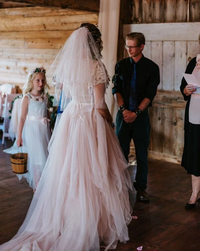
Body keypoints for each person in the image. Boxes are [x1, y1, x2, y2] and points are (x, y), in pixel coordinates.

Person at [0, 24, 132, 251]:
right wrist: (109, 122)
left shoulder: (70, 67)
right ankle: (90, 224)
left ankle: (66, 220)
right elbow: (100, 104)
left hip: (72, 119)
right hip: (90, 119)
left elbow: (68, 97)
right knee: (94, 171)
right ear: (96, 42)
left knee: (70, 171)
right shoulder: (96, 66)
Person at [112, 32, 160, 202]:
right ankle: (121, 187)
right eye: (127, 46)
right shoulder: (121, 65)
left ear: (141, 47)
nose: (129, 50)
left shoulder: (152, 68)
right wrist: (124, 110)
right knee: (121, 153)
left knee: (141, 154)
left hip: (141, 117)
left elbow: (150, 94)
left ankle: (141, 188)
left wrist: (136, 113)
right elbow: (116, 89)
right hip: (122, 116)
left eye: (132, 46)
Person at [4, 67, 51, 191]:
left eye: (42, 80)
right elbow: (22, 118)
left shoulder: (45, 97)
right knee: (35, 158)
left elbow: (47, 116)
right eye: (37, 80)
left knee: (44, 157)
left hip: (44, 131)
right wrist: (19, 136)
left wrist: (50, 131)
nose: (40, 83)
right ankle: (36, 186)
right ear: (32, 81)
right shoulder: (27, 98)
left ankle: (43, 184)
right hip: (32, 131)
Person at [180, 54, 200, 210]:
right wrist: (186, 90)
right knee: (196, 154)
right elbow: (183, 87)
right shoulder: (194, 61)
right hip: (194, 115)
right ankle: (195, 194)